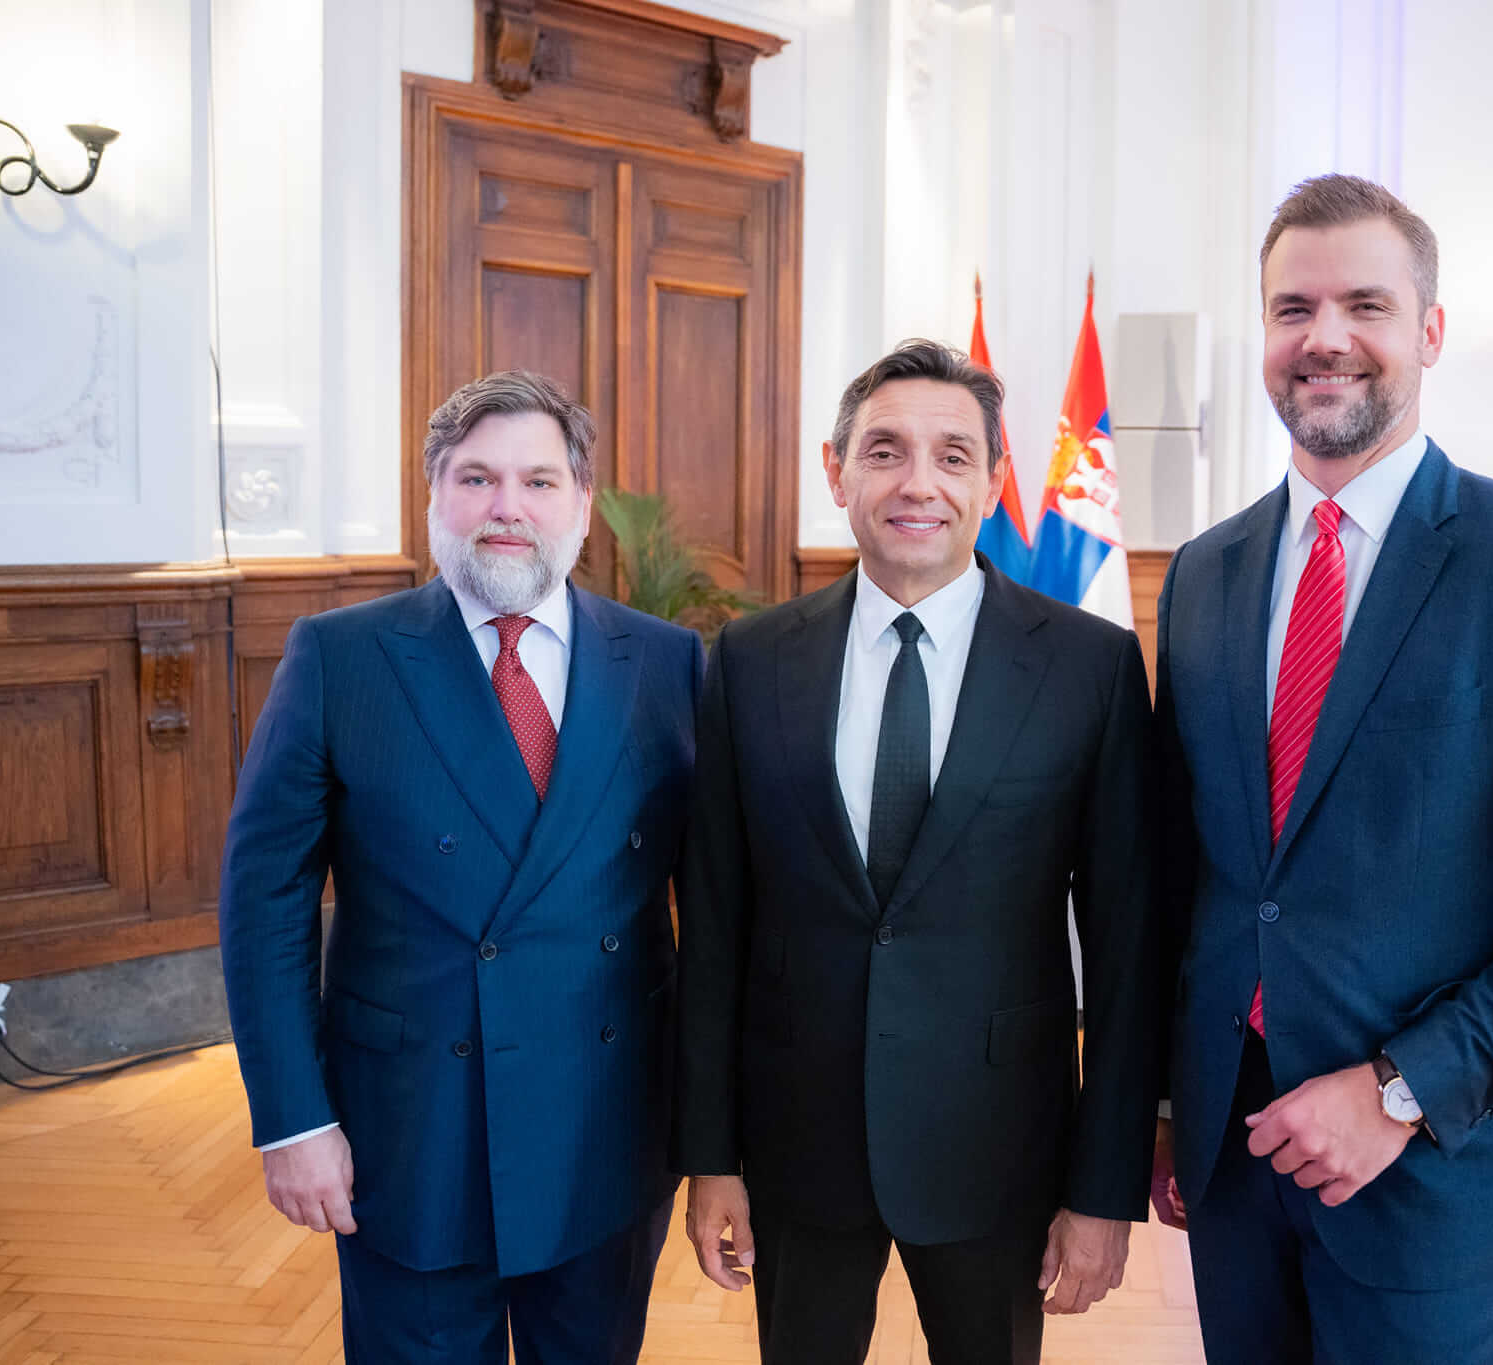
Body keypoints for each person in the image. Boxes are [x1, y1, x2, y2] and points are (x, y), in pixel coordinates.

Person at [1149, 175, 1493, 1363]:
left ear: (1428, 331)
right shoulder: (1203, 575)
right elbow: (1194, 875)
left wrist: (1399, 1089)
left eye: (1364, 304)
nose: (1323, 338)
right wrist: (1171, 1100)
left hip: (1437, 1170)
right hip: (1234, 1166)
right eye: (1292, 309)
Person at [672, 340, 1158, 1365]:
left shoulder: (1089, 668)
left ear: (991, 479)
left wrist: (1102, 1188)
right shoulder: (748, 661)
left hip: (999, 1149)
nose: (916, 483)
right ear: (835, 469)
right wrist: (710, 1155)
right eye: (884, 450)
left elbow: (1126, 952)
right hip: (796, 1144)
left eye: (951, 455)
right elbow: (713, 925)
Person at [219, 370, 702, 1363]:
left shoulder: (668, 663)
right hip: (409, 1131)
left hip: (604, 1128)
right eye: (476, 479)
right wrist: (292, 1119)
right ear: (434, 495)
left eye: (536, 480)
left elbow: (719, 910)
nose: (506, 509)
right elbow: (262, 902)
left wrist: (719, 1134)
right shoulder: (339, 658)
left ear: (579, 500)